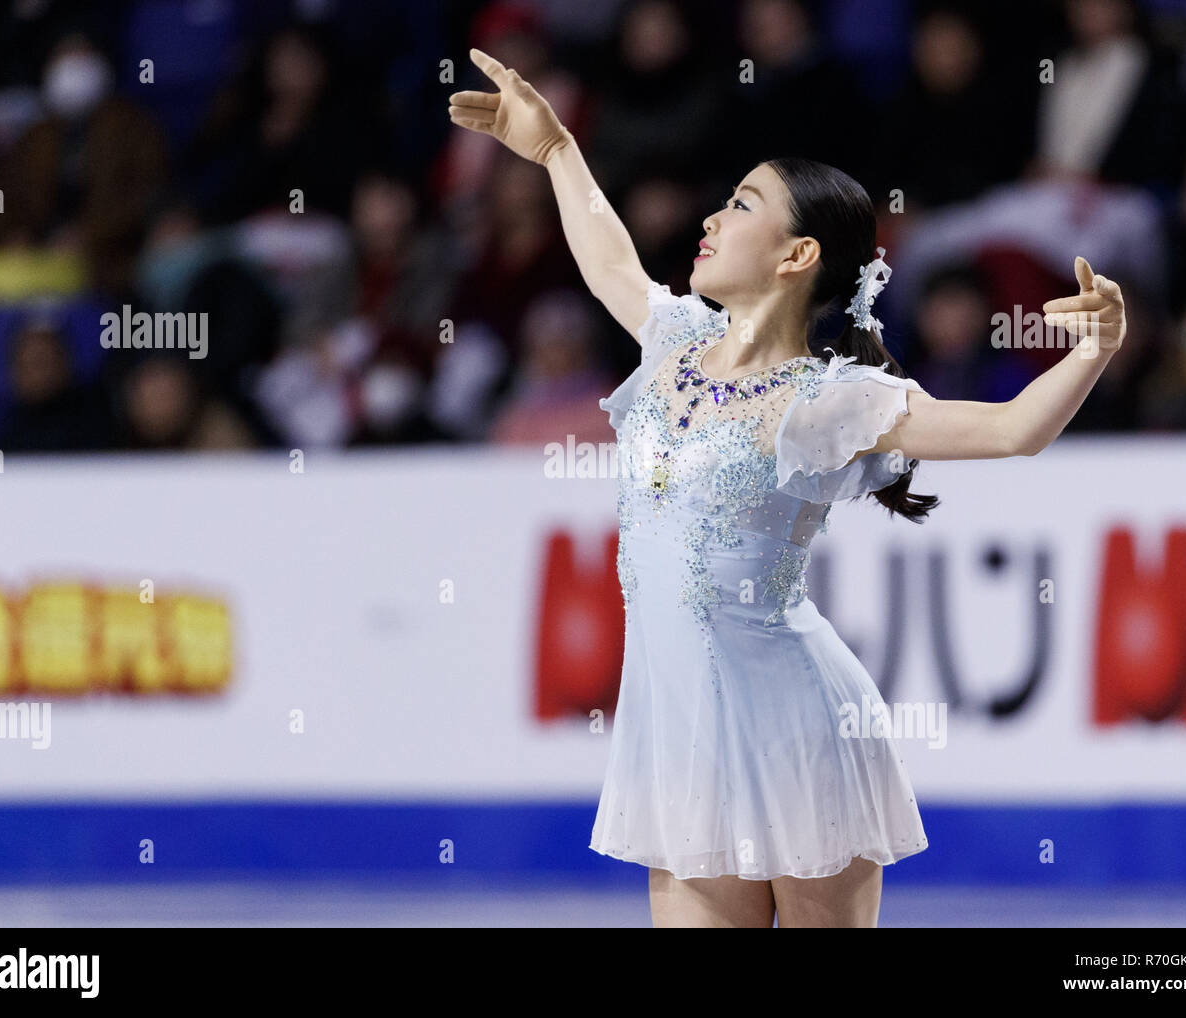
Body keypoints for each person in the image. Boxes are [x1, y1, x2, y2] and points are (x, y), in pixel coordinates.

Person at [449, 49, 1127, 928]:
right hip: (681, 745)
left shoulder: (828, 399)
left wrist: (1097, 347)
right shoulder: (676, 343)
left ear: (797, 253)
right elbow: (612, 264)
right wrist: (555, 153)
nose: (711, 218)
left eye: (740, 205)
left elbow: (1011, 431)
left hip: (800, 736)